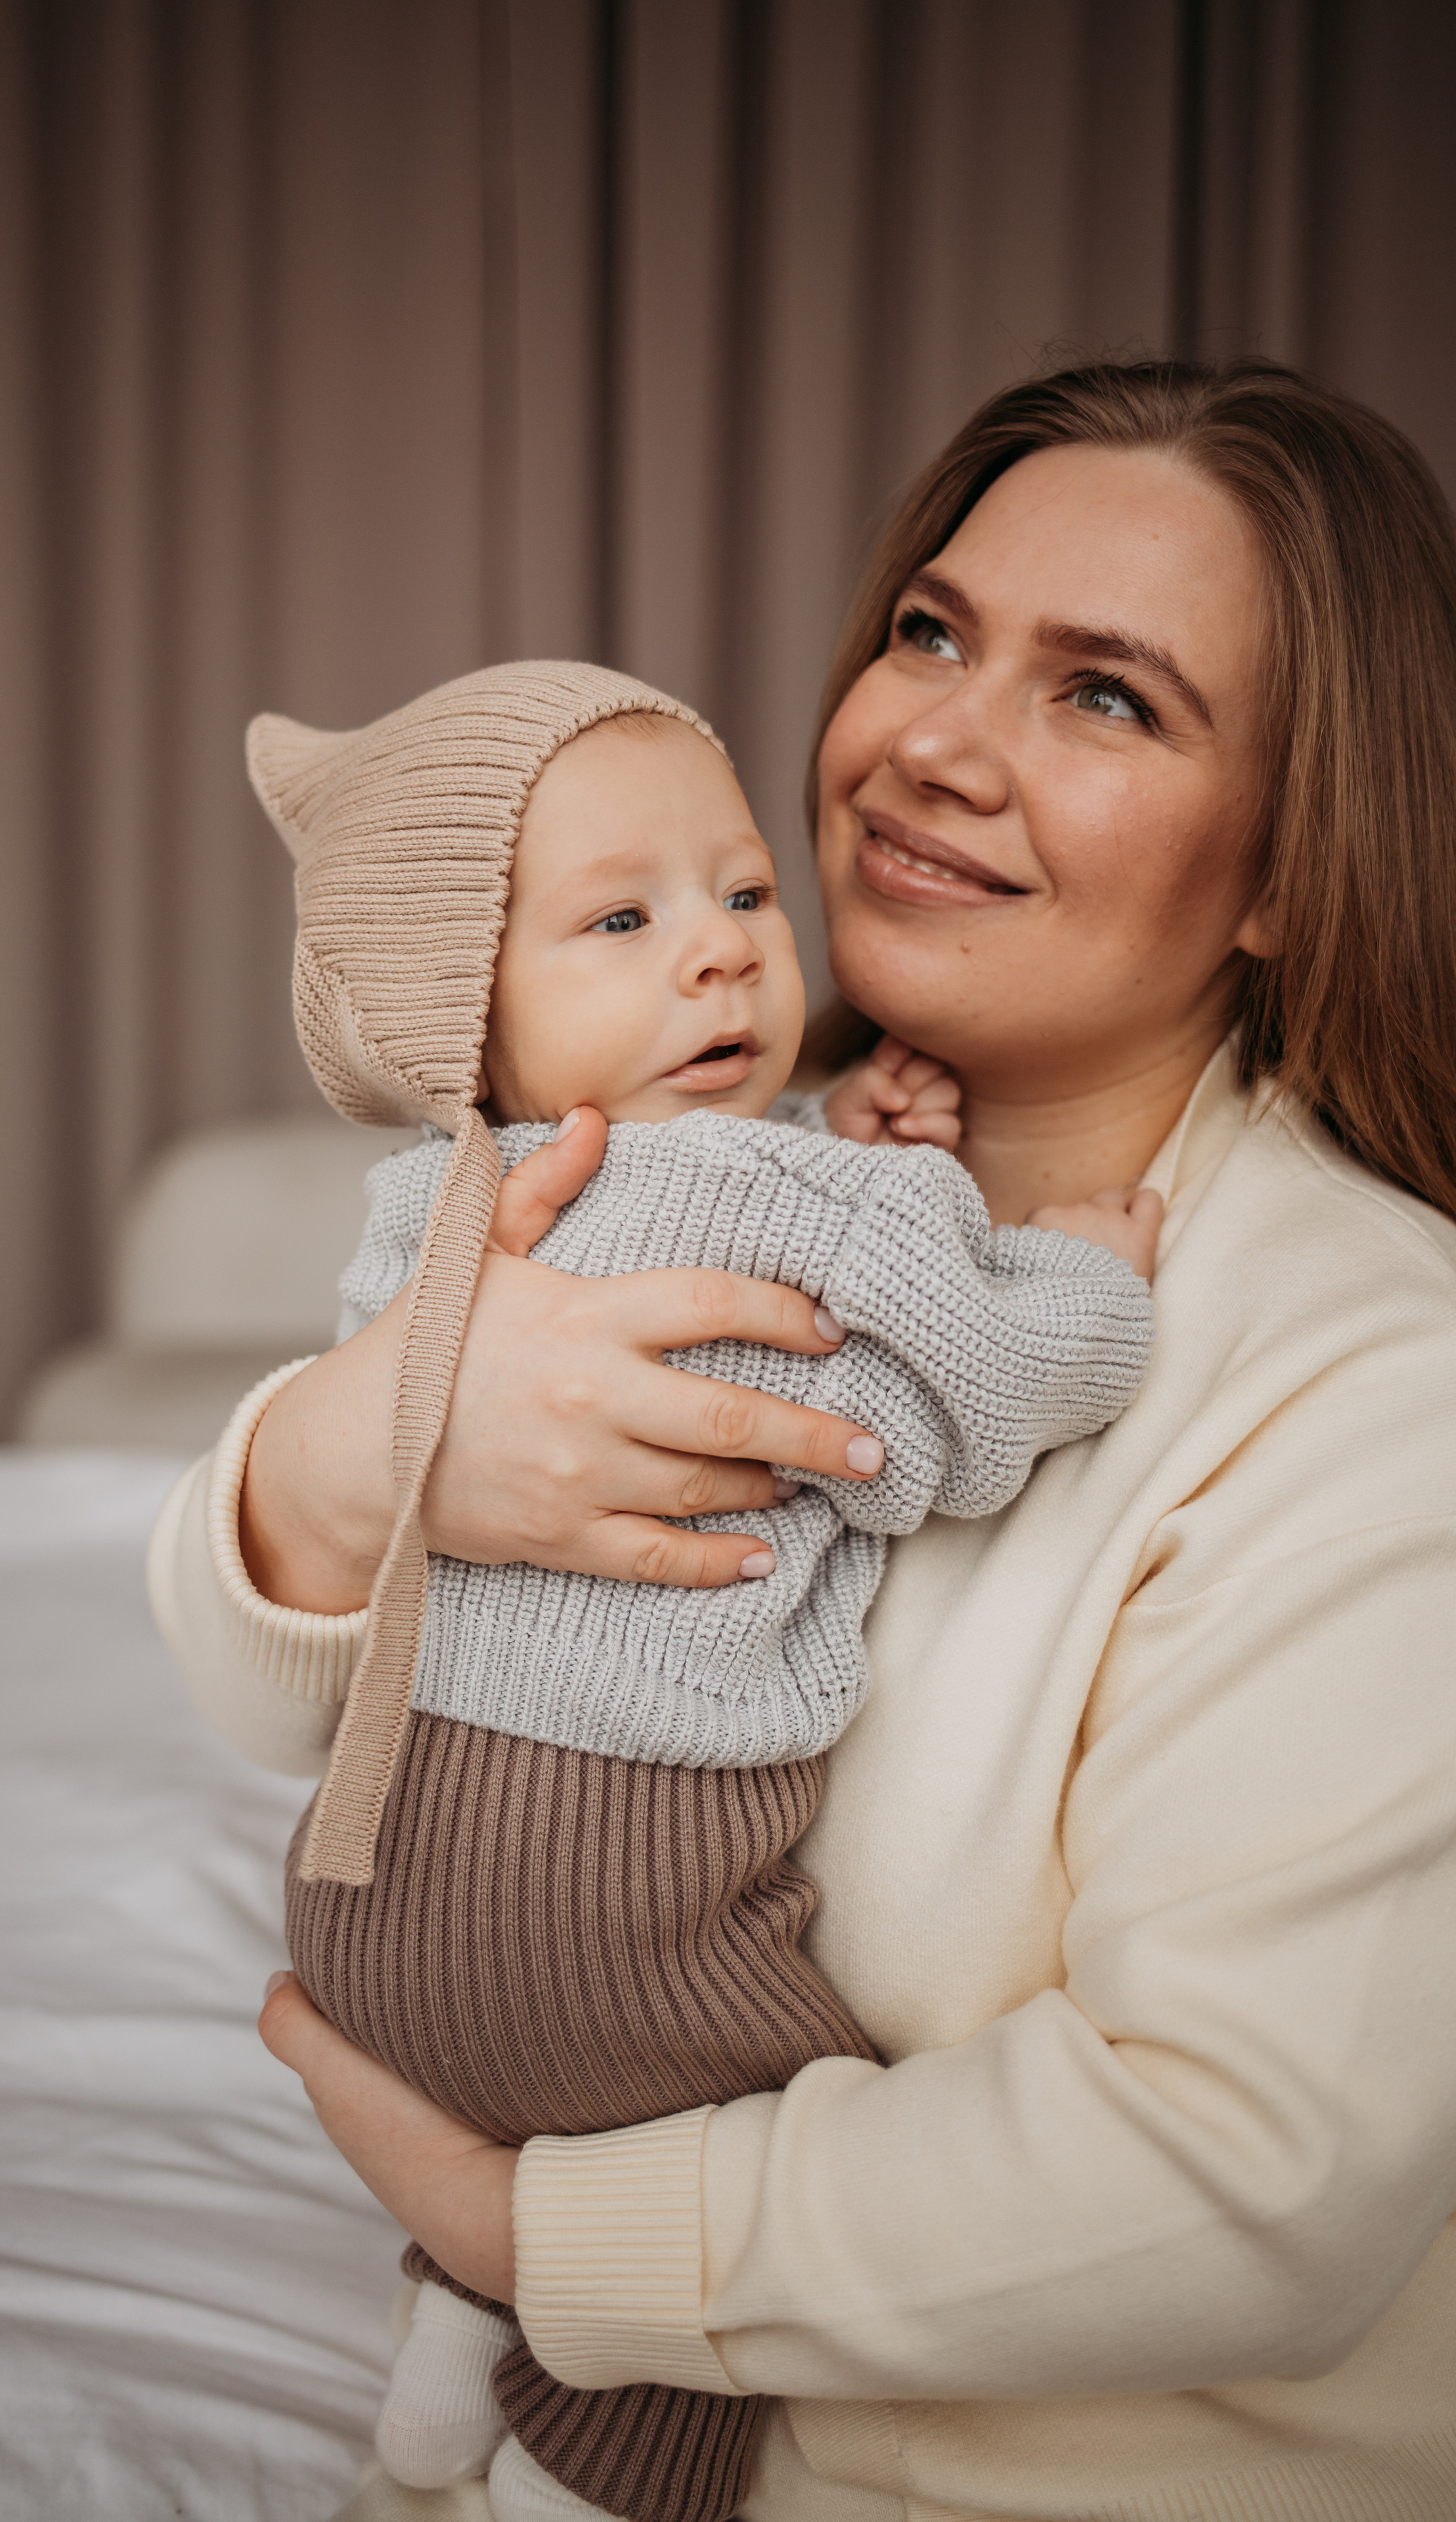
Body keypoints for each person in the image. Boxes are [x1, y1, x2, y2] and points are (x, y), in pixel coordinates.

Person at [148, 360, 1456, 2522]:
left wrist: (523, 2247)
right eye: (932, 633)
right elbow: (239, 1681)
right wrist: (381, 1445)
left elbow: (1250, 2173)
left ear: (1291, 879)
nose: (932, 742)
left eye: (1107, 699)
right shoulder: (690, 1146)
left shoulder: (1372, 1387)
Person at [230, 660, 1155, 2522]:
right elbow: (970, 1413)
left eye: (741, 894)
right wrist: (1086, 1277)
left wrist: (851, 1158)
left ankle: (440, 2353)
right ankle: (598, 2476)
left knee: (521, 2091)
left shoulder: (427, 1211)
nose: (725, 957)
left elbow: (679, 1212)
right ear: (462, 1020)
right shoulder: (821, 1219)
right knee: (756, 2155)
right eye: (623, 920)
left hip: (370, 1883)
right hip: (615, 1885)